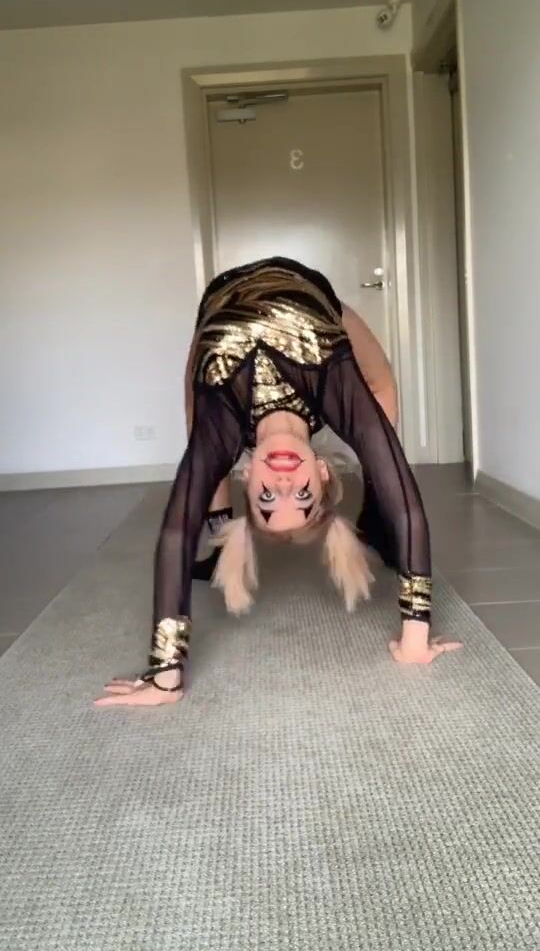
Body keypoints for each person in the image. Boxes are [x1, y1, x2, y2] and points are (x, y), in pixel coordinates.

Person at [95, 257, 461, 708]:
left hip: (220, 299)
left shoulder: (222, 427)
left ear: (247, 475)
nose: (285, 483)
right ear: (322, 471)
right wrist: (415, 639)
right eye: (303, 495)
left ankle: (224, 521)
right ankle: (375, 499)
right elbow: (409, 507)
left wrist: (166, 675)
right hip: (308, 288)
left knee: (197, 421)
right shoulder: (338, 392)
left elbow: (175, 532)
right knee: (381, 391)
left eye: (267, 497)